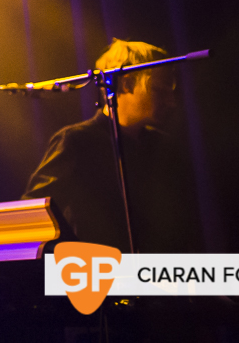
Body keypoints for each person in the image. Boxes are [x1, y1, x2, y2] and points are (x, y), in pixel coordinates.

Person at [23, 38, 203, 253]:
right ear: (126, 83)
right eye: (160, 91)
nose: (171, 101)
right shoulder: (76, 141)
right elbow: (33, 218)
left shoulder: (163, 146)